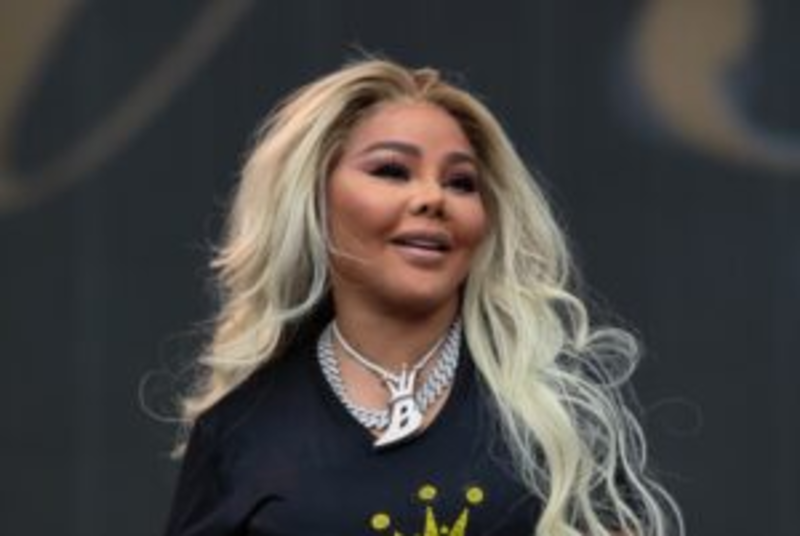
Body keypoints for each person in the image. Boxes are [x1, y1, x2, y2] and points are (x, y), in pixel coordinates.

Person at [163, 58, 682, 536]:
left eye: (460, 182)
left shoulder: (560, 408)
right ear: (313, 200)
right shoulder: (240, 433)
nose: (433, 197)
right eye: (392, 170)